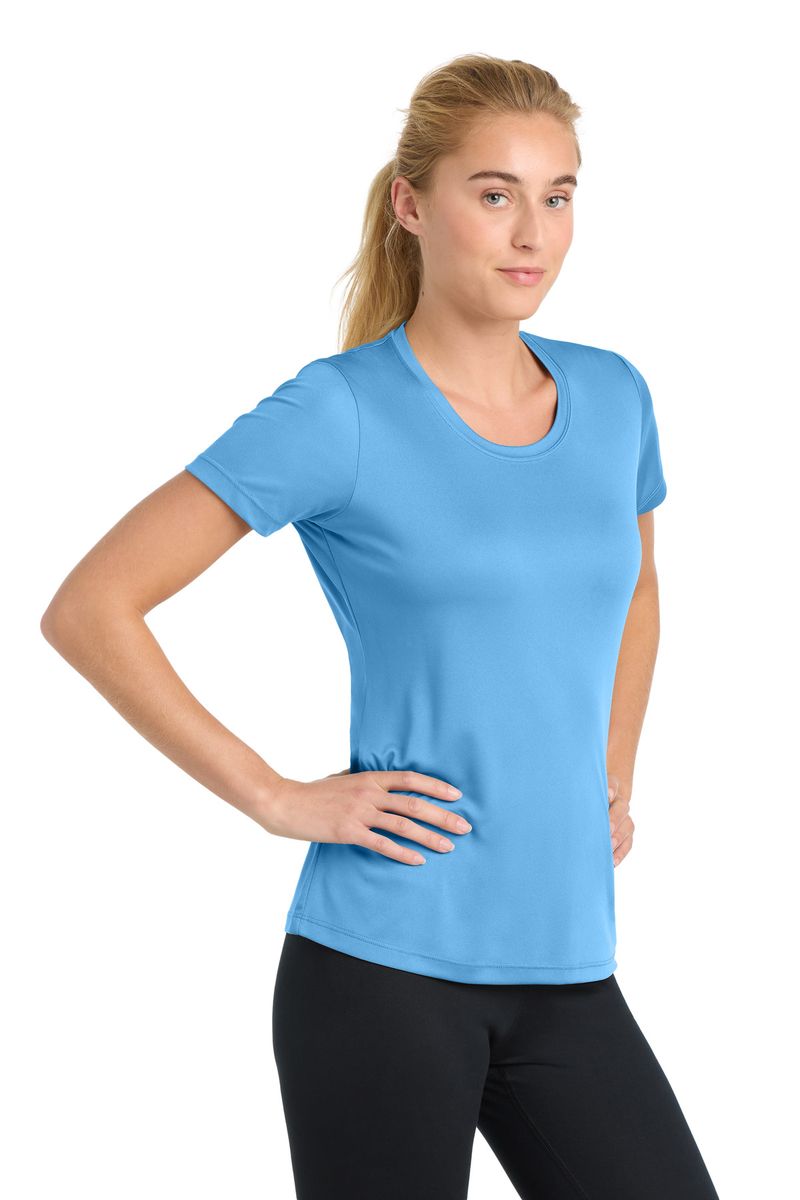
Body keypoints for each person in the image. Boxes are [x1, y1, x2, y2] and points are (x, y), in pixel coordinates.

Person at [40, 52, 720, 1200]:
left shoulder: (613, 396)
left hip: (566, 963)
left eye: (556, 196)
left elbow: (636, 586)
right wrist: (274, 797)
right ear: (411, 203)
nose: (532, 234)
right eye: (493, 193)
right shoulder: (339, 411)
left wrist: (608, 770)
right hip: (381, 968)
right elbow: (91, 607)